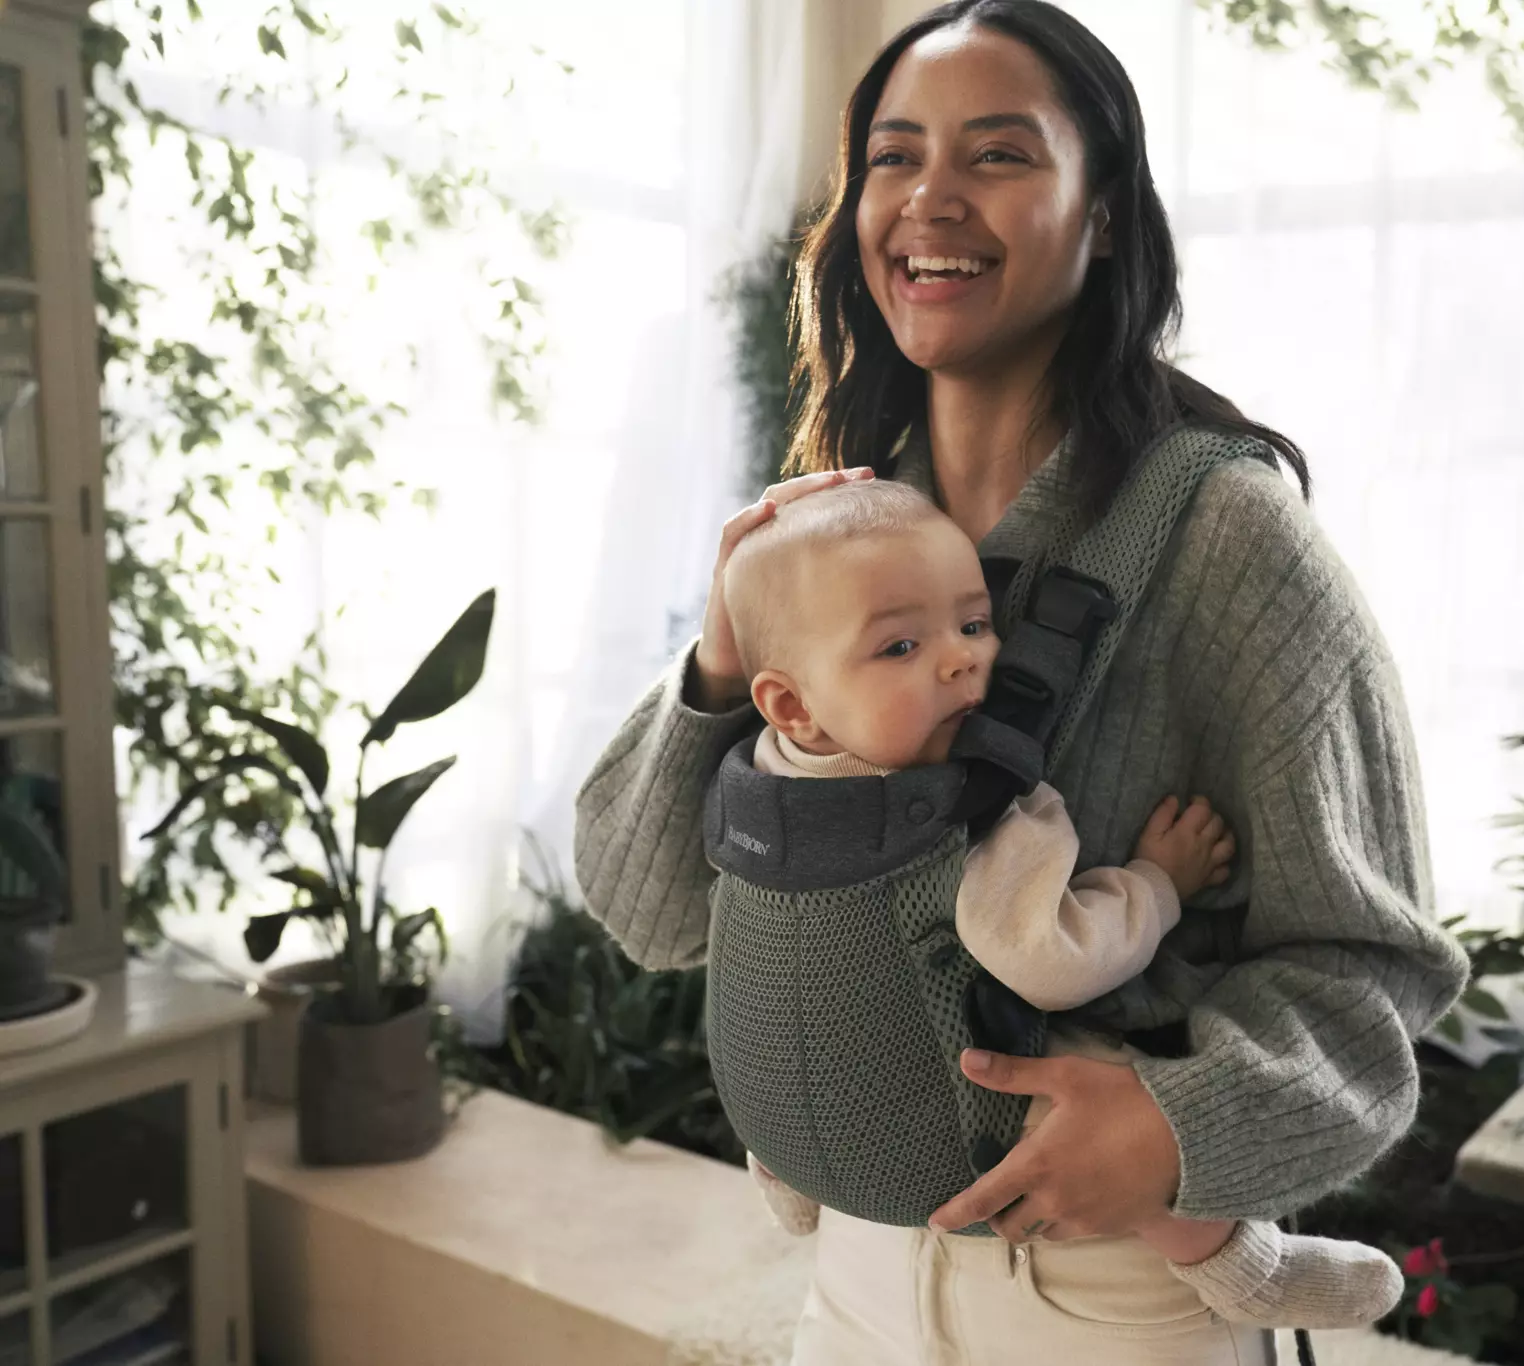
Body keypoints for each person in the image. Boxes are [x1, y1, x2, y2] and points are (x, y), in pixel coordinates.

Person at [573, 2, 1468, 1361]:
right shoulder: (832, 536)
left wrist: (1174, 1124)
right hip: (855, 1284)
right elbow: (651, 912)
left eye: (997, 154)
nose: (929, 196)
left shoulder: (1229, 539)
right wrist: (722, 659)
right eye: (894, 155)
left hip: (1113, 1296)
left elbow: (1369, 972)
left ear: (1102, 216)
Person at [718, 477, 1406, 1333]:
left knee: (785, 1025)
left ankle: (789, 1171)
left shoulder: (758, 782)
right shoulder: (972, 810)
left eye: (975, 624)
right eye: (900, 647)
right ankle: (1241, 1267)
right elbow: (1054, 962)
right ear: (790, 702)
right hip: (936, 1154)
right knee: (1074, 1084)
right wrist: (1158, 883)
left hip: (801, 1106)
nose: (961, 659)